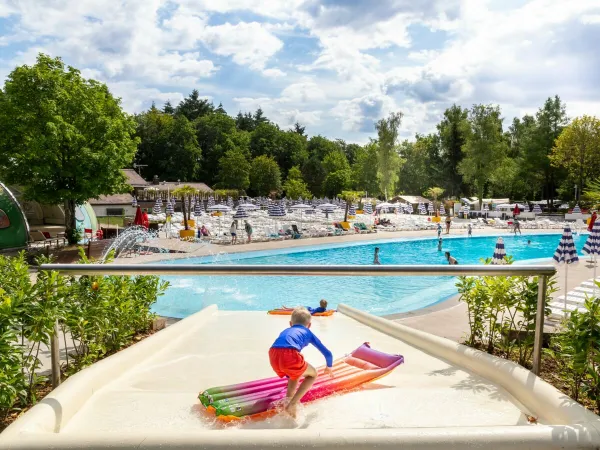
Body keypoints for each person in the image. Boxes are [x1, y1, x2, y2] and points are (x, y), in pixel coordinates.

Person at [269, 307, 333, 418]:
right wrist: (329, 367)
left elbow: (282, 347)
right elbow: (327, 353)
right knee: (313, 375)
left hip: (273, 354)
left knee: (294, 374)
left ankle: (288, 407)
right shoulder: (308, 332)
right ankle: (293, 404)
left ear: (290, 323)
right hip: (290, 354)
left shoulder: (285, 331)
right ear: (309, 325)